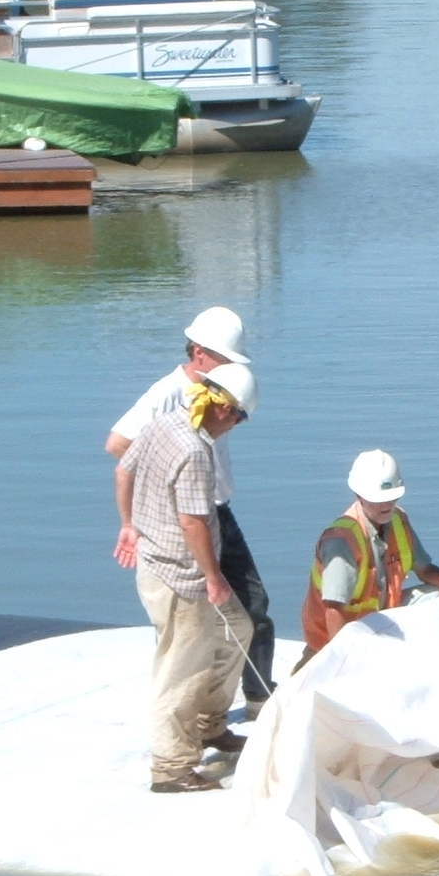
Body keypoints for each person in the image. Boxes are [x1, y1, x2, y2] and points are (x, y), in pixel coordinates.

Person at [107, 307, 275, 717]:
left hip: (219, 511)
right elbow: (118, 445)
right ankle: (200, 711)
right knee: (193, 621)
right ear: (198, 352)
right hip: (190, 518)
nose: (232, 368)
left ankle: (257, 694)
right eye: (225, 358)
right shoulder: (167, 392)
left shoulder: (224, 394)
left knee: (253, 603)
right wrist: (140, 514)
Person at [113, 362, 258, 793]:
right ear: (223, 409)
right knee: (182, 670)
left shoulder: (164, 424)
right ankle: (172, 769)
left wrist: (128, 523)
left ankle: (210, 724)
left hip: (160, 564)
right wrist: (213, 577)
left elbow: (124, 469)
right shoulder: (195, 451)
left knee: (238, 631)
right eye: (240, 416)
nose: (238, 425)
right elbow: (193, 521)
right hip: (182, 578)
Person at [299, 449, 439, 657]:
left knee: (438, 597)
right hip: (336, 641)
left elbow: (425, 571)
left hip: (379, 620)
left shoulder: (398, 521)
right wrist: (344, 660)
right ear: (359, 495)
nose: (387, 505)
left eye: (392, 497)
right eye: (378, 499)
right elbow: (333, 610)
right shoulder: (342, 541)